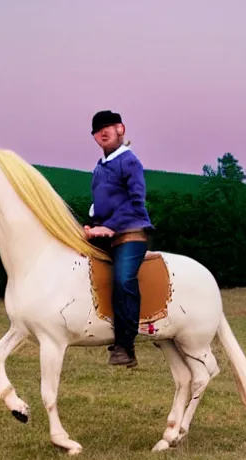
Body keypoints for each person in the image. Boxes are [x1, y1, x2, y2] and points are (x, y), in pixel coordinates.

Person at [84, 110, 154, 368]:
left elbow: (136, 201)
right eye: (97, 130)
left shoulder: (129, 161)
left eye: (108, 127)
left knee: (123, 280)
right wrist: (90, 224)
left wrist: (110, 226)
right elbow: (100, 205)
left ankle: (125, 346)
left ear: (121, 129)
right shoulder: (99, 167)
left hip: (130, 233)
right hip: (105, 232)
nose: (102, 132)